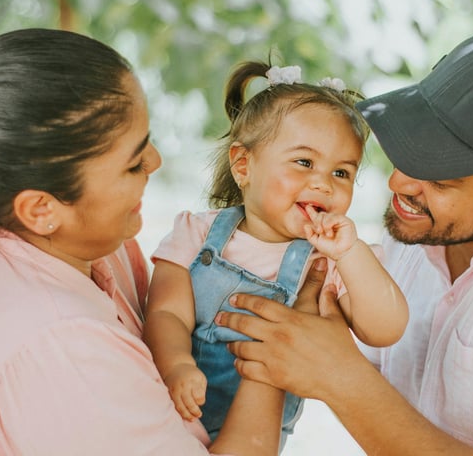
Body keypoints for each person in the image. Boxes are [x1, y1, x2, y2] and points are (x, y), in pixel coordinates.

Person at [216, 28, 473, 455]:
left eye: (437, 177)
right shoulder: (428, 219)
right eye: (408, 152)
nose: (398, 182)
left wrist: (341, 379)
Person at [0, 28, 290, 455]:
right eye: (134, 163)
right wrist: (275, 350)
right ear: (41, 209)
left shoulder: (62, 236)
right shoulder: (64, 346)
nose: (155, 161)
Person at [142, 61, 409, 445]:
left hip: (258, 435)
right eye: (304, 162)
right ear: (243, 165)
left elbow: (385, 330)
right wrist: (176, 364)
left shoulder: (328, 261)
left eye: (342, 173)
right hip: (173, 412)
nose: (323, 183)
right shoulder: (197, 233)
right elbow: (166, 311)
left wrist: (351, 254)